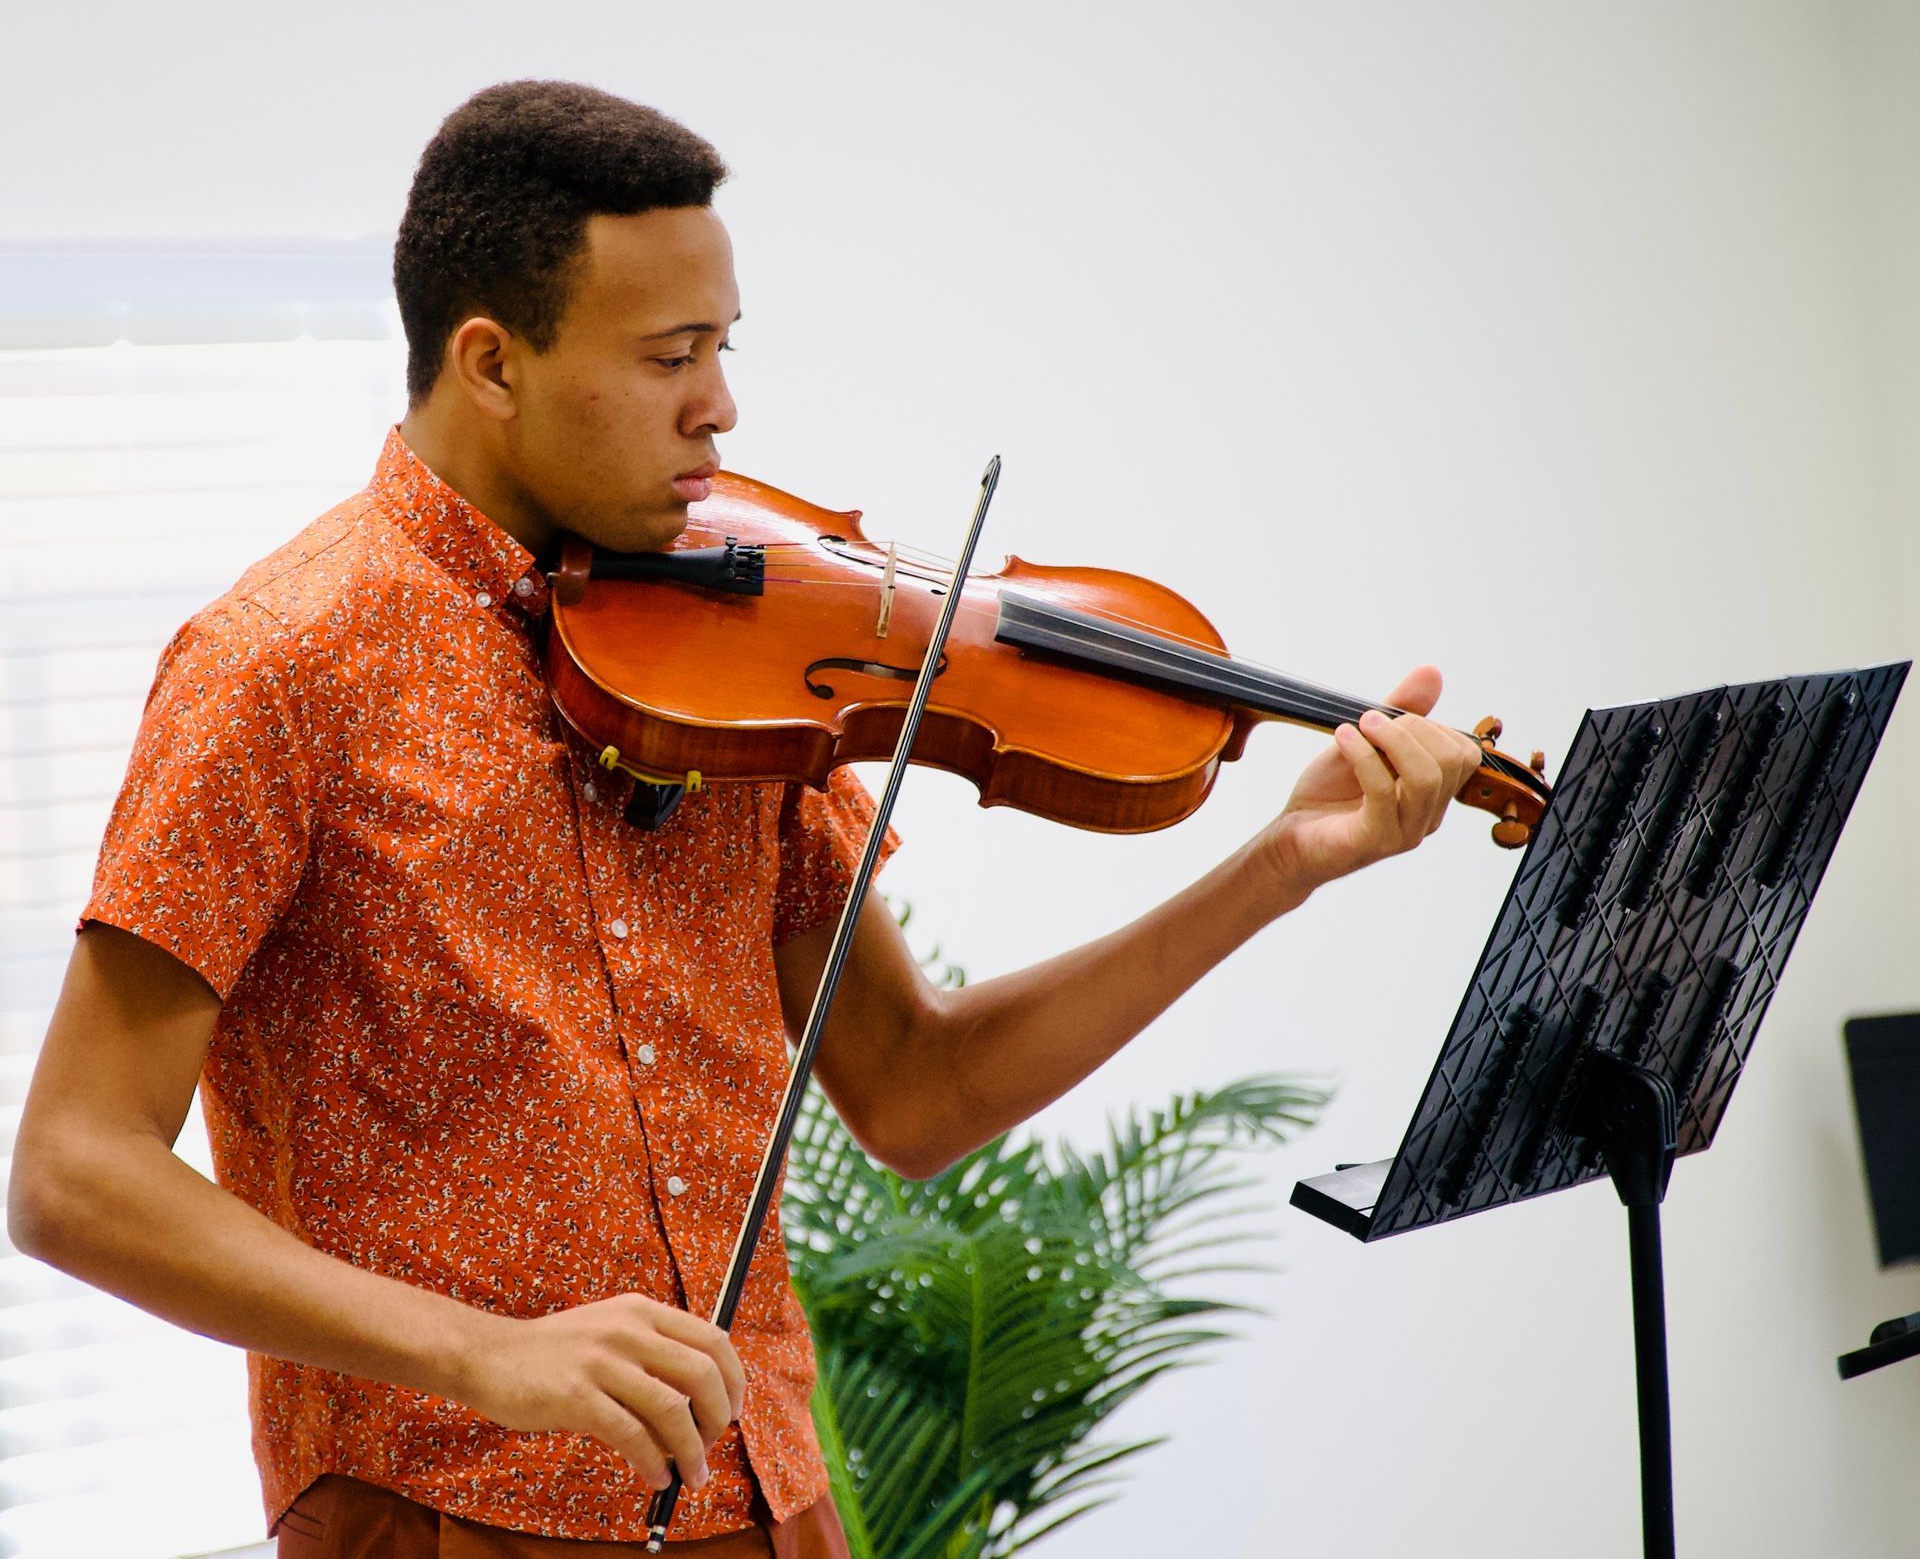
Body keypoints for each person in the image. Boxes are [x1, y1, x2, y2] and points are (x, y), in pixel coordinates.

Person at [6, 80, 1484, 1558]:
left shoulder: (741, 655)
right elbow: (75, 1172)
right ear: (492, 363)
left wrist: (1280, 865)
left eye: (723, 346)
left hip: (770, 1502)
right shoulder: (277, 665)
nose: (719, 405)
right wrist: (486, 1352)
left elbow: (916, 1089)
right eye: (670, 356)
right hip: (450, 1515)